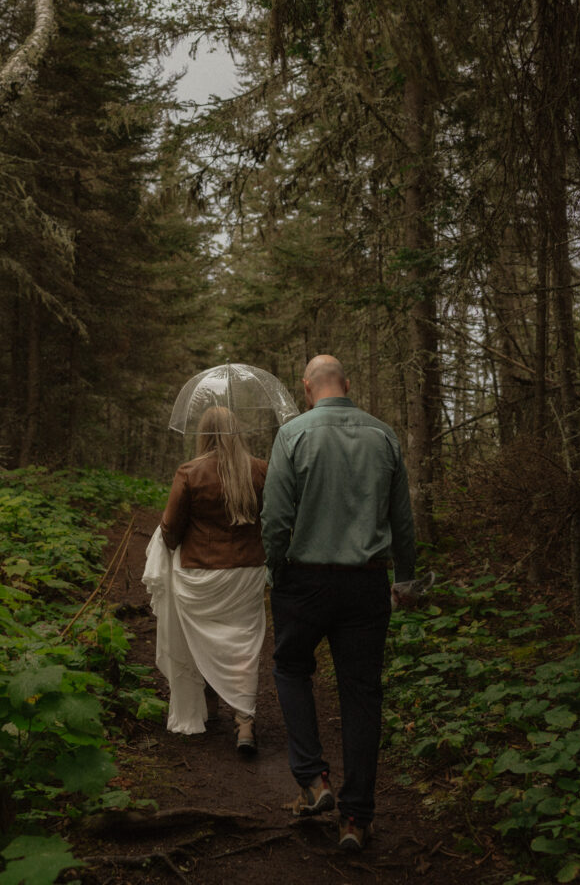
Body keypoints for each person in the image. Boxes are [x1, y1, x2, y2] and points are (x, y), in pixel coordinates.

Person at [261, 355, 416, 850]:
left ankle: (313, 779)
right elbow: (403, 521)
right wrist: (405, 580)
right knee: (362, 694)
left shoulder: (292, 435)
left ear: (308, 389)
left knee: (290, 667)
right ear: (347, 385)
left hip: (304, 579)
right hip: (367, 584)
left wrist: (277, 568)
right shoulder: (384, 435)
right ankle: (355, 819)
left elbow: (275, 517)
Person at [142, 406, 267, 752]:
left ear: (203, 435)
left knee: (200, 639)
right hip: (247, 573)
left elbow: (170, 532)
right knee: (242, 646)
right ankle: (244, 724)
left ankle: (209, 707)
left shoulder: (190, 472)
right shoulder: (260, 471)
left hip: (200, 573)